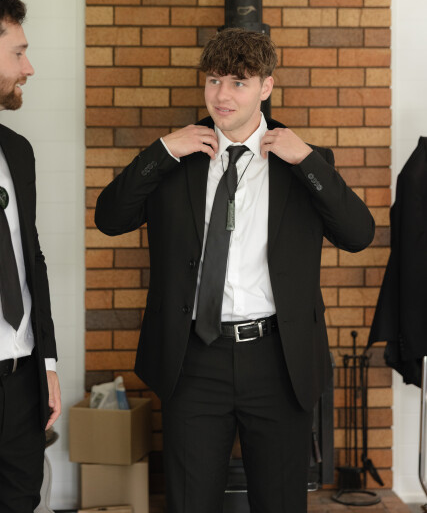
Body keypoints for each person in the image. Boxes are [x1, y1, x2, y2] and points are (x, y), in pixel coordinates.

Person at [95, 28, 374, 513]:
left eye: (238, 82)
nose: (222, 95)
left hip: (279, 360)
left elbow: (359, 234)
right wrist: (161, 151)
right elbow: (109, 219)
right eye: (214, 80)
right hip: (192, 359)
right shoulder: (176, 157)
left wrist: (307, 160)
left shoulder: (304, 162)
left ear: (266, 86)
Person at [0, 0, 61, 513]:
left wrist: (49, 363)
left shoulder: (17, 152)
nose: (29, 68)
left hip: (22, 379)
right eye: (18, 53)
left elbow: (30, 261)